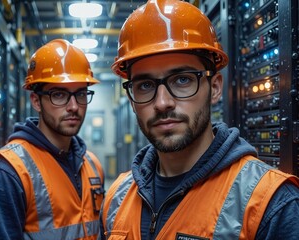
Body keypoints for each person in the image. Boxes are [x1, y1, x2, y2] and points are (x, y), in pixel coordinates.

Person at [100, 0, 299, 239]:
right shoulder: (116, 198)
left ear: (214, 88)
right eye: (145, 85)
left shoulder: (269, 204)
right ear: (132, 100)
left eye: (182, 80)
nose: (162, 102)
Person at [0, 39, 105, 239]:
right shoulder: (6, 173)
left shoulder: (92, 164)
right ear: (36, 101)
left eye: (80, 94)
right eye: (59, 95)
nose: (73, 106)